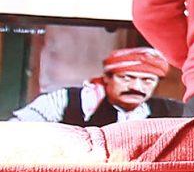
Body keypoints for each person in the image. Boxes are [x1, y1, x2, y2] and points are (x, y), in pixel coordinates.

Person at [8, 46, 178, 126]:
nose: (136, 87)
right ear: (107, 78)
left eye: (147, 81)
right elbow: (15, 131)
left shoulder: (169, 110)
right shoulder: (65, 100)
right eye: (126, 78)